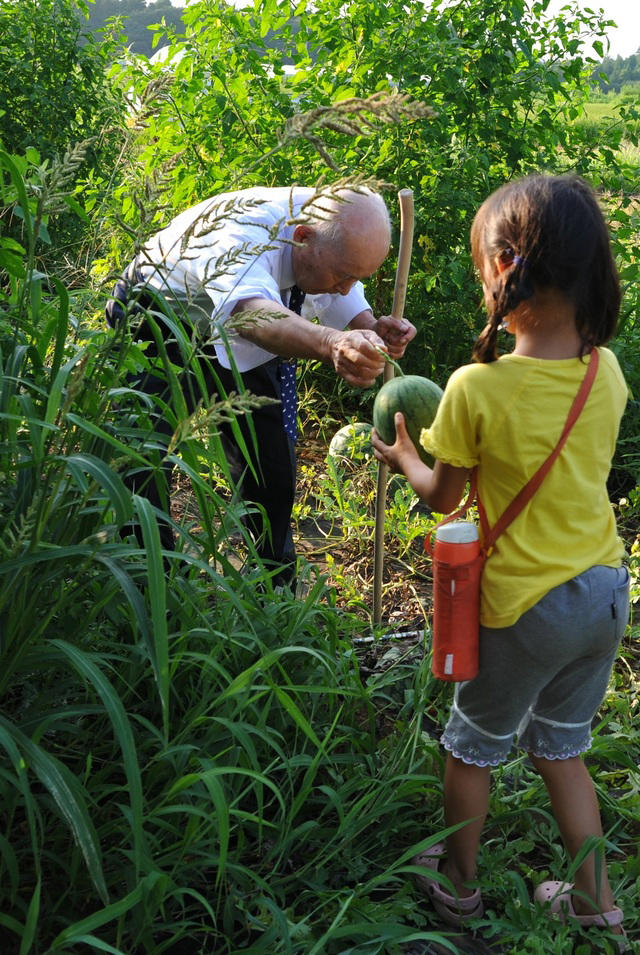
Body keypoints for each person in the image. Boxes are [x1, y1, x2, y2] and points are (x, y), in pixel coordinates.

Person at [372, 174, 629, 948]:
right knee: (564, 745)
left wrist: (405, 454)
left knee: (471, 746)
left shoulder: (474, 388)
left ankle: (457, 886)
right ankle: (597, 905)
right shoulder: (605, 369)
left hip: (527, 603)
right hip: (605, 590)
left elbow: (444, 499)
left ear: (503, 266)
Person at [106, 185, 416, 585]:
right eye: (343, 276)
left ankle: (273, 583)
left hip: (246, 319)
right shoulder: (240, 234)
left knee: (268, 452)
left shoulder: (332, 225)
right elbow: (252, 314)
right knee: (144, 452)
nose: (345, 287)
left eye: (356, 278)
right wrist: (332, 342)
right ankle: (150, 581)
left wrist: (370, 328)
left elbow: (334, 282)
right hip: (158, 314)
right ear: (302, 237)